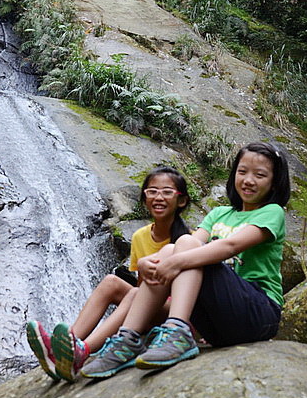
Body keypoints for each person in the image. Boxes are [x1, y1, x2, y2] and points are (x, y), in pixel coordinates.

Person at [81, 141, 290, 379]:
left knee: (186, 248)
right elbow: (184, 245)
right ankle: (128, 338)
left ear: (274, 182)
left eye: (260, 175)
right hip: (217, 325)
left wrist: (174, 262)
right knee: (179, 246)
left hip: (258, 313)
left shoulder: (272, 212)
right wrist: (149, 262)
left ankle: (176, 331)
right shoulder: (219, 214)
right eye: (242, 172)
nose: (248, 180)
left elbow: (229, 246)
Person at [26, 165, 191, 382]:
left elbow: (185, 292)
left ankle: (83, 351)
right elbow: (146, 288)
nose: (158, 197)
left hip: (174, 313)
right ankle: (67, 345)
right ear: (143, 198)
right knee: (111, 282)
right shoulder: (141, 236)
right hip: (146, 308)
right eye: (152, 191)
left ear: (182, 200)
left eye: (167, 192)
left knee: (133, 294)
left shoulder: (189, 239)